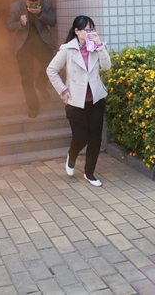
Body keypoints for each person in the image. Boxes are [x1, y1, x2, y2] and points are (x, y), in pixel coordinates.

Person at [46, 16, 111, 187]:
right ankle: (72, 155)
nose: (90, 32)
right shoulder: (67, 49)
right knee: (81, 137)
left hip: (96, 100)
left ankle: (89, 173)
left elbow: (107, 67)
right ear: (77, 31)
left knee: (95, 138)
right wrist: (63, 90)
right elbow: (51, 70)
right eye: (86, 29)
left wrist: (99, 45)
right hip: (75, 102)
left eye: (92, 29)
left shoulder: (96, 47)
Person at [7, 0, 56, 118]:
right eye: (30, 3)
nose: (33, 5)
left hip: (42, 42)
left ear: (40, 0)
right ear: (25, 0)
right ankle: (33, 106)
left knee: (50, 65)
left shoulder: (46, 3)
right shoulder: (16, 7)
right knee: (26, 78)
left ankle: (41, 84)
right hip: (24, 45)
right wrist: (20, 23)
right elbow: (9, 26)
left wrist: (40, 13)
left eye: (36, 3)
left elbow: (53, 22)